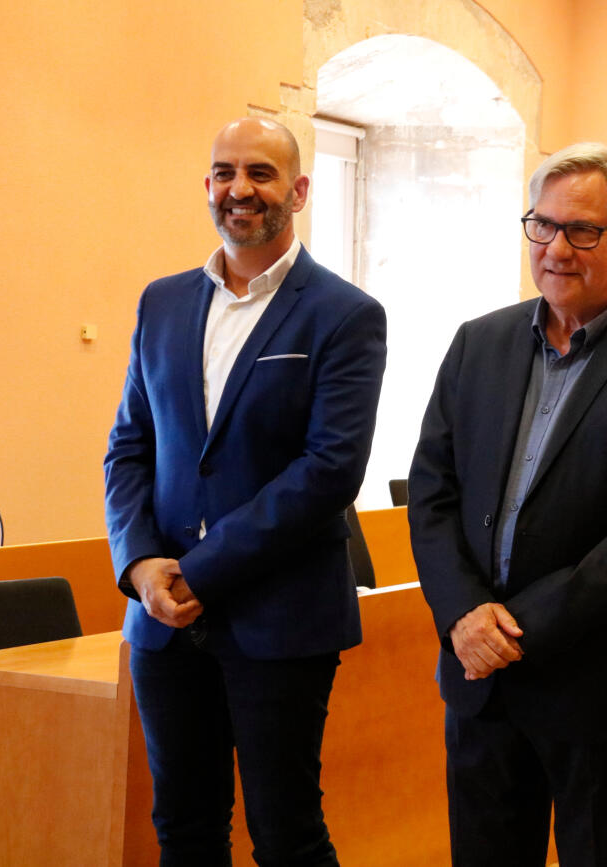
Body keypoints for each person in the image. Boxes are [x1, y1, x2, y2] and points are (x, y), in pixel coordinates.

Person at [408, 142, 607, 866]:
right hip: (480, 681)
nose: (556, 248)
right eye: (541, 226)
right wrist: (462, 613)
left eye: (582, 230)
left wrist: (517, 624)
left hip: (603, 691)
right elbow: (431, 490)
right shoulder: (475, 344)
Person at [104, 117, 386, 866]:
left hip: (279, 617)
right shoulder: (160, 303)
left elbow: (329, 469)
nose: (240, 189)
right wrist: (140, 566)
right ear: (207, 187)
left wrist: (197, 569)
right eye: (224, 172)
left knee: (284, 831)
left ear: (298, 190)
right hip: (162, 622)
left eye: (260, 173)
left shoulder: (344, 314)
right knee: (185, 828)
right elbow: (130, 447)